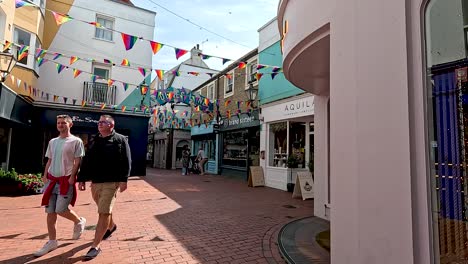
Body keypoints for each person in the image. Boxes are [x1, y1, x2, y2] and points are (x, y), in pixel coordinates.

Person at [77, 115, 131, 260]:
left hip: (111, 182)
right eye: (99, 122)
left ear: (111, 125)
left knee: (103, 212)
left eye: (103, 122)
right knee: (103, 209)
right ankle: (111, 226)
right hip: (95, 182)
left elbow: (126, 160)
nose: (100, 124)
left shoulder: (120, 139)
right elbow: (87, 160)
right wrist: (81, 179)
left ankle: (95, 246)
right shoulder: (95, 139)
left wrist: (124, 180)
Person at [34, 115, 87, 257]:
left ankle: (79, 221)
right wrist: (45, 175)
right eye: (58, 123)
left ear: (70, 124)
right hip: (51, 181)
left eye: (64, 123)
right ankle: (52, 241)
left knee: (61, 209)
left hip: (65, 181)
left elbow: (77, 161)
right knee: (50, 212)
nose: (61, 125)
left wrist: (72, 177)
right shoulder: (53, 141)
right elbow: (49, 160)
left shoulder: (76, 141)